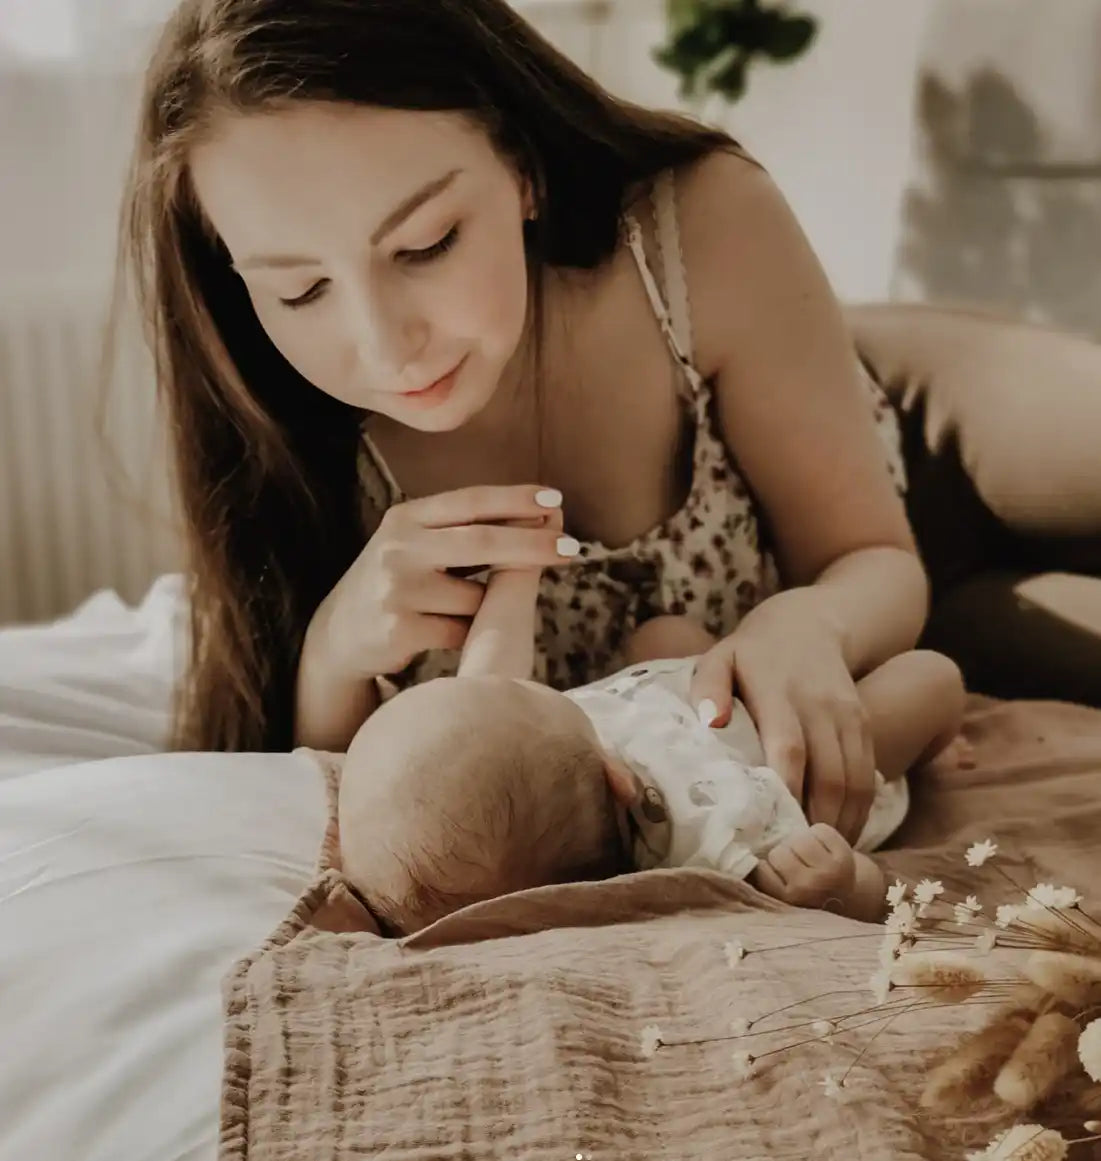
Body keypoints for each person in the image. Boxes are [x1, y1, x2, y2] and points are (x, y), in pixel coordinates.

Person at [124, 0, 929, 846]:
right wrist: (333, 653)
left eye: (425, 244)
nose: (386, 346)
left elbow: (875, 560)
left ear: (521, 165)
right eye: (302, 291)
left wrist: (808, 621)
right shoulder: (277, 406)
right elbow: (347, 802)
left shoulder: (700, 231)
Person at [338, 564, 967, 935]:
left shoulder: (542, 754)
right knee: (932, 679)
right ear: (620, 780)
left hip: (707, 687)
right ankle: (938, 739)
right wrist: (843, 884)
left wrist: (517, 575)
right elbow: (856, 901)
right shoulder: (713, 846)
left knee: (661, 634)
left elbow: (487, 685)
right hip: (803, 757)